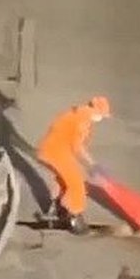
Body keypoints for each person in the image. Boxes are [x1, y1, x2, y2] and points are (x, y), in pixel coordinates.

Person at [34, 96, 111, 235]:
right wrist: (92, 165)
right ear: (97, 112)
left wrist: (91, 164)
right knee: (76, 183)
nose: (102, 119)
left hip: (51, 150)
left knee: (65, 180)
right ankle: (74, 218)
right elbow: (77, 147)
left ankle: (58, 210)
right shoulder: (83, 120)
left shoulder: (79, 113)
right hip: (56, 152)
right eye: (103, 115)